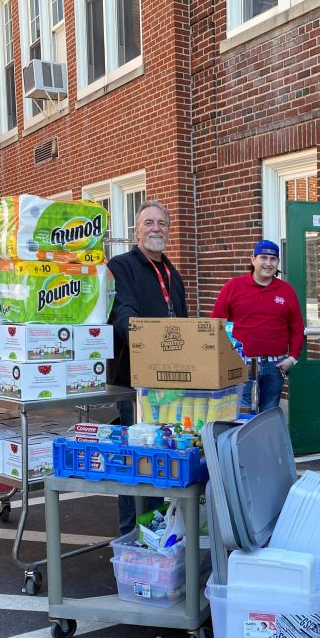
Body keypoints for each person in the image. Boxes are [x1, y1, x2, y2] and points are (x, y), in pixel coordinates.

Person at [107, 200, 188, 535]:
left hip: (171, 383)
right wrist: (149, 345)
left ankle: (158, 530)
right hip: (133, 382)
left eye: (162, 223)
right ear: (136, 230)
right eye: (148, 223)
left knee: (162, 457)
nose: (156, 228)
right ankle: (131, 533)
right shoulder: (120, 266)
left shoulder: (173, 273)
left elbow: (182, 325)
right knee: (134, 458)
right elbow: (121, 314)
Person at [211, 239, 305, 413]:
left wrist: (292, 358)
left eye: (273, 259)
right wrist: (225, 358)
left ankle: (264, 442)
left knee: (268, 416)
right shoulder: (233, 286)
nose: (268, 263)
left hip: (274, 366)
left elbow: (297, 328)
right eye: (263, 258)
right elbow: (216, 325)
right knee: (240, 415)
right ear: (253, 259)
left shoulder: (286, 291)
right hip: (240, 364)